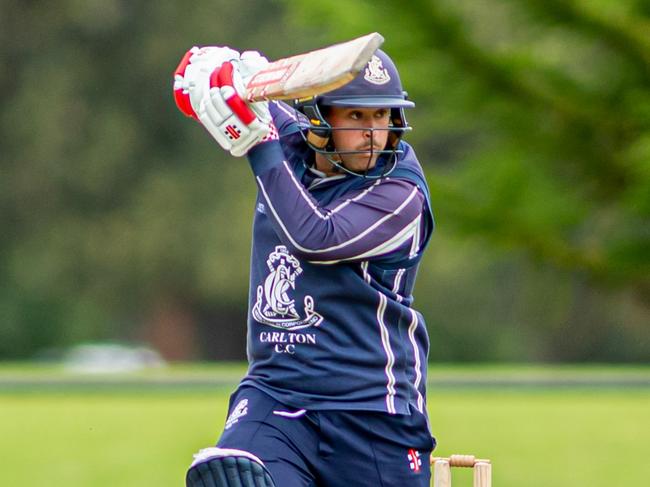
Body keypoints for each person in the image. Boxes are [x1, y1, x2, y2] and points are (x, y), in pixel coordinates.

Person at [173, 43, 436, 487]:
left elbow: (314, 238)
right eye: (355, 116)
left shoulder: (402, 193)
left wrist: (257, 146)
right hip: (276, 393)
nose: (373, 133)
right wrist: (221, 74)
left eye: (382, 116)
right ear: (320, 120)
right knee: (235, 473)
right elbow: (211, 96)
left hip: (371, 411)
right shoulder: (291, 145)